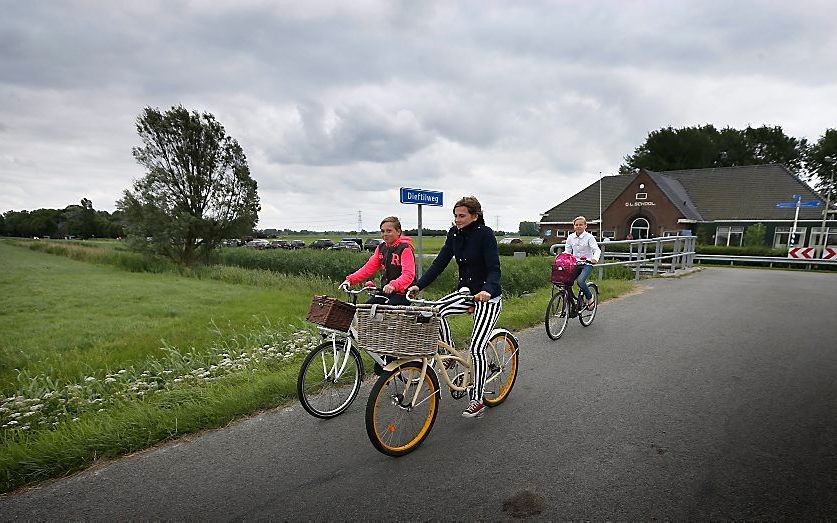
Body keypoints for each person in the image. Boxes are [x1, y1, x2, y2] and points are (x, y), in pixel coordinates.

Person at [407, 196, 502, 419]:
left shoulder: (485, 234)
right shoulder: (455, 234)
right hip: (466, 293)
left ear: (474, 216)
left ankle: (477, 400)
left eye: (462, 216)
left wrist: (488, 289)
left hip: (487, 297)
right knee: (433, 311)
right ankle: (451, 354)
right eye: (455, 216)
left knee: (477, 347)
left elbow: (494, 268)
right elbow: (439, 263)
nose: (457, 220)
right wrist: (418, 285)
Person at [343, 216, 415, 306]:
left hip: (403, 293)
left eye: (389, 231)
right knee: (367, 307)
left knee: (387, 312)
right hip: (386, 291)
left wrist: (393, 285)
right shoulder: (381, 248)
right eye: (382, 231)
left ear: (398, 232)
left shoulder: (404, 249)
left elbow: (408, 274)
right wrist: (350, 280)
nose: (385, 234)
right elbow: (368, 268)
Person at [564, 216, 601, 310]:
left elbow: (596, 250)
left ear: (585, 226)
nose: (578, 226)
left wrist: (594, 259)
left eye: (581, 225)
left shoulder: (589, 237)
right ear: (574, 226)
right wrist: (561, 258)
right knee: (566, 282)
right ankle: (572, 302)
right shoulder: (570, 237)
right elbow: (567, 251)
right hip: (575, 263)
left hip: (587, 264)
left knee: (580, 281)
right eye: (576, 225)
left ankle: (589, 297)